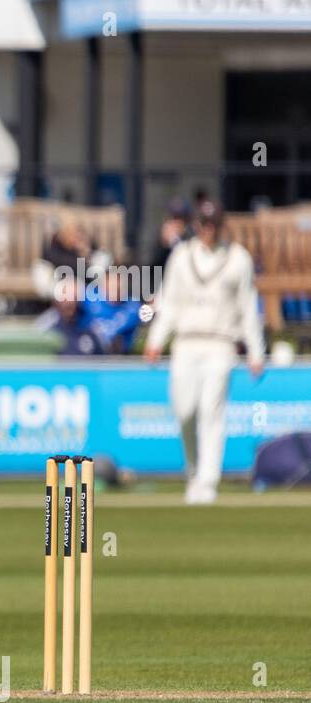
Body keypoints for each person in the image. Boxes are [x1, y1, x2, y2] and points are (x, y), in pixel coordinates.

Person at [144, 200, 265, 504]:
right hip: (185, 342)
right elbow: (169, 301)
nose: (208, 229)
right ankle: (194, 472)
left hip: (221, 343)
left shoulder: (238, 258)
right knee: (185, 410)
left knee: (212, 411)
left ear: (221, 225)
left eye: (213, 224)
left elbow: (248, 307)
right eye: (204, 224)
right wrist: (156, 338)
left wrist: (255, 350)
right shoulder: (182, 256)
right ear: (196, 225)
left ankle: (208, 481)